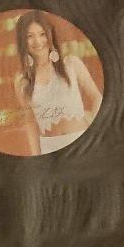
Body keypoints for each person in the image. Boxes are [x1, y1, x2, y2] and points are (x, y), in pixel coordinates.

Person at [12, 10, 102, 155]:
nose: (38, 41)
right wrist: (36, 157)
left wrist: (94, 133)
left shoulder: (71, 64)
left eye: (42, 34)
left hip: (81, 143)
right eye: (30, 36)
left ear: (50, 35)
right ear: (22, 41)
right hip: (49, 148)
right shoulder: (22, 80)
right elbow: (30, 122)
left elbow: (97, 97)